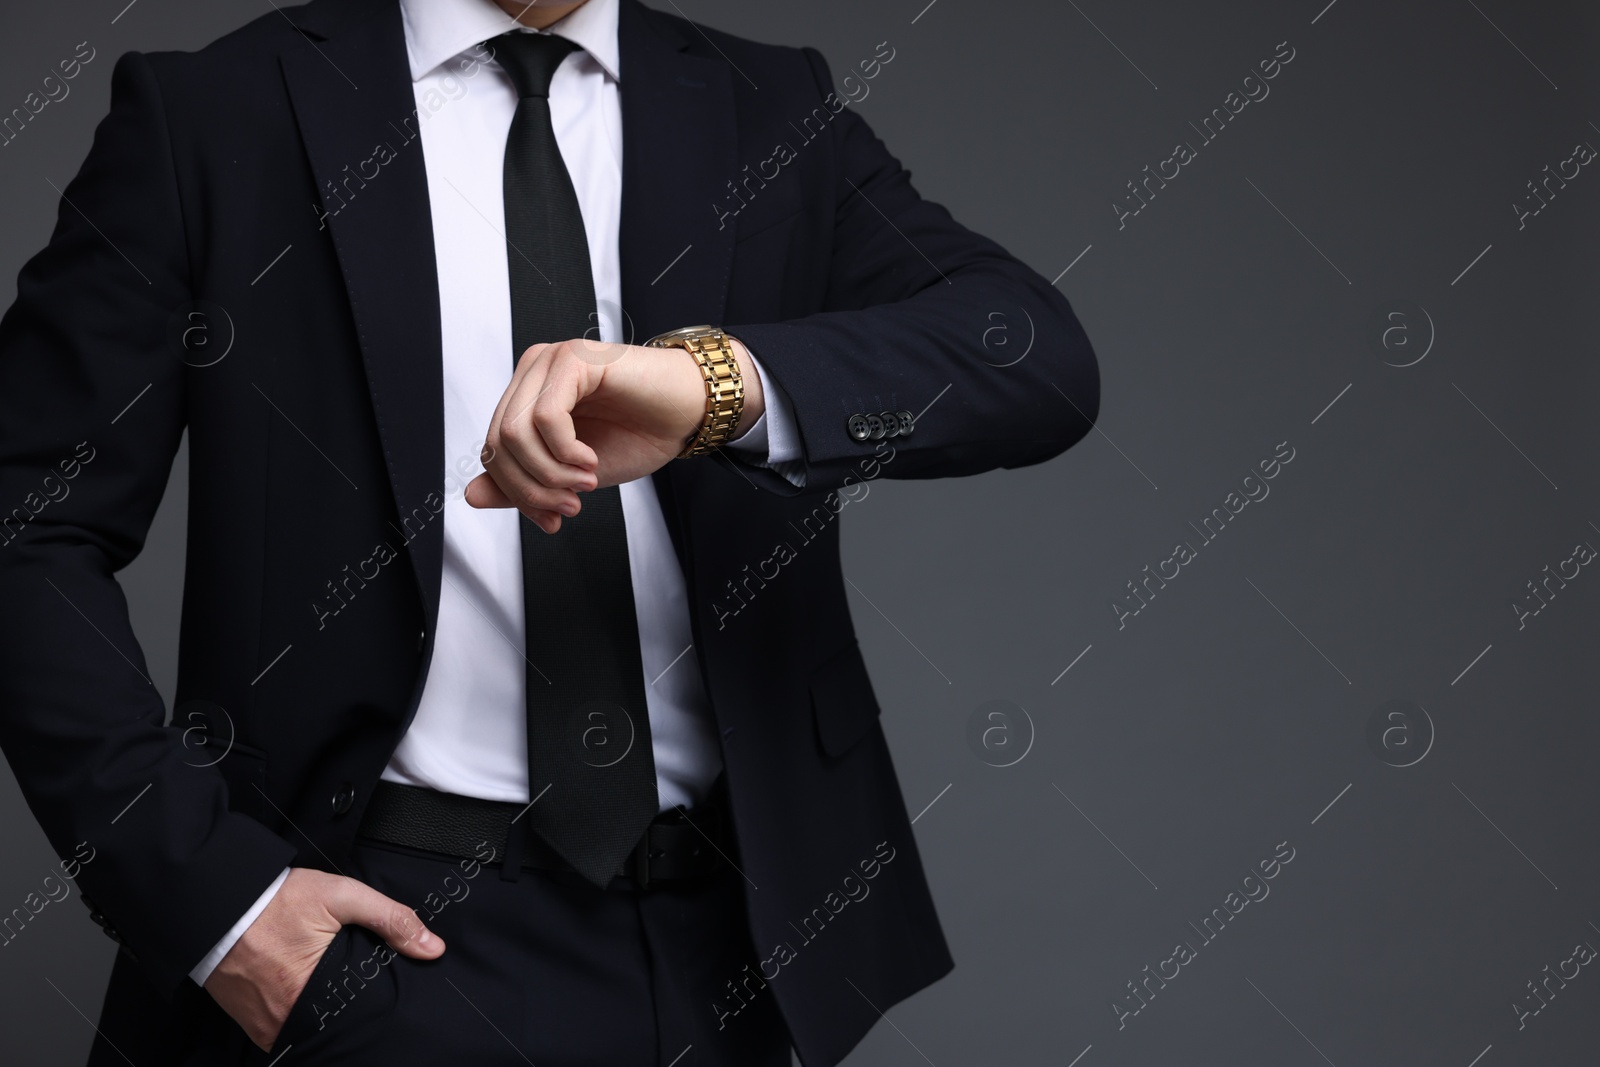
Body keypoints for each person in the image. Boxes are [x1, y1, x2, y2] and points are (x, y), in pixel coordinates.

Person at [0, 0, 1099, 1063]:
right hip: (373, 938)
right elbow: (25, 526)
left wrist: (714, 383)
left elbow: (1034, 358)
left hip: (726, 955)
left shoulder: (767, 104)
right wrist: (219, 908)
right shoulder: (215, 110)